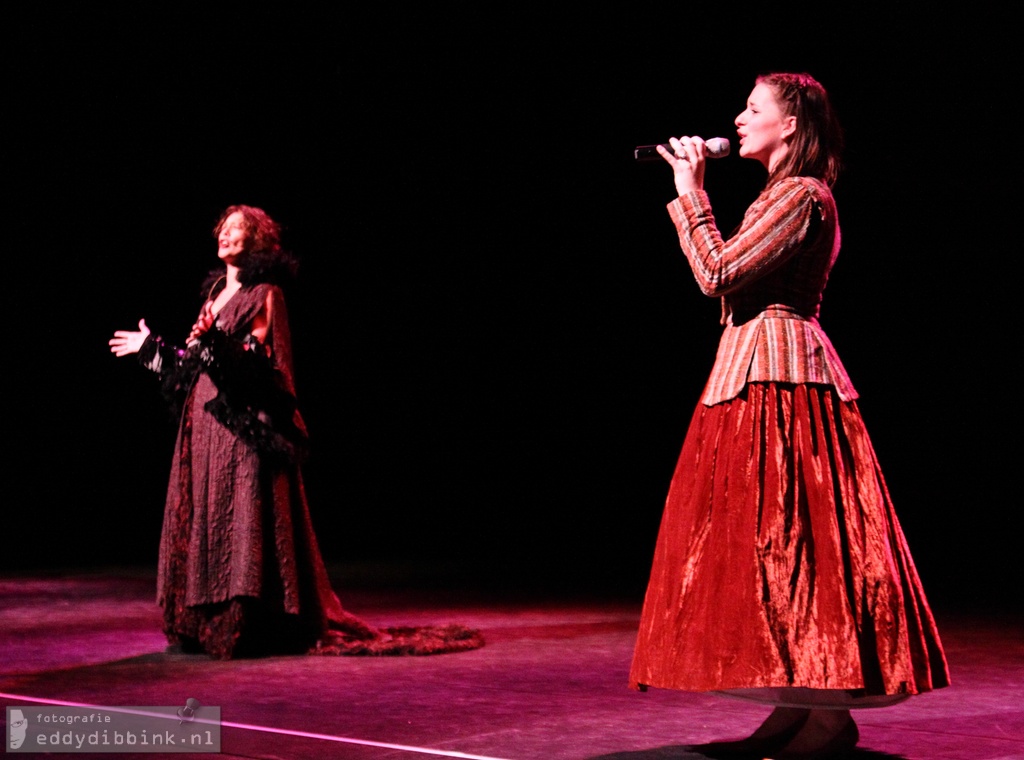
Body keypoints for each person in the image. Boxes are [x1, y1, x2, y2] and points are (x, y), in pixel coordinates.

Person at [628, 74, 949, 758]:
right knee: (757, 555)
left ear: (793, 126)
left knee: (794, 549)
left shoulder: (803, 196)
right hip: (747, 374)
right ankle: (794, 709)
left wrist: (690, 194)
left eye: (754, 109)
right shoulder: (779, 196)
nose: (739, 120)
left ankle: (829, 717)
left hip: (784, 381)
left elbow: (716, 273)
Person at [110, 205, 482, 659]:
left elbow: (255, 364)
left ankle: (250, 623)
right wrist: (152, 350)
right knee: (205, 519)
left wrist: (213, 342)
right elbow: (195, 368)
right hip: (202, 429)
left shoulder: (266, 294)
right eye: (222, 230)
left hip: (238, 430)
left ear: (257, 242)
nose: (226, 236)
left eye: (237, 230)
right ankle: (200, 622)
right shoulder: (212, 294)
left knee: (238, 519)